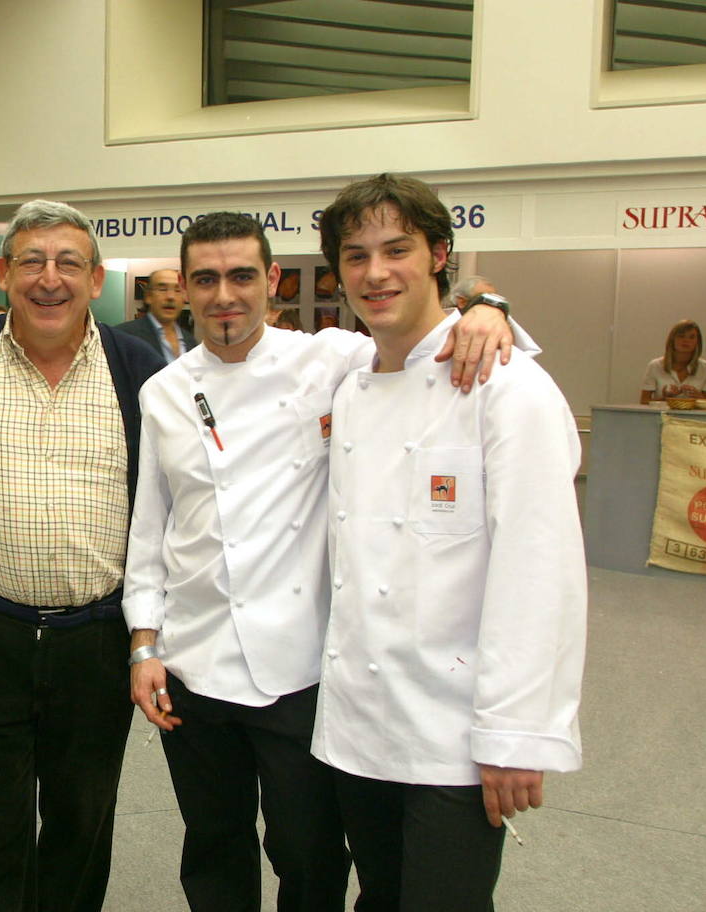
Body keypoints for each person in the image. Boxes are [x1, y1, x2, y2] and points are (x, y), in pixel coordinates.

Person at [123, 211, 516, 912]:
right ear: (182, 287)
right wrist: (144, 642)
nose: (224, 296)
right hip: (192, 659)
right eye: (206, 279)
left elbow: (419, 334)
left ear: (271, 279)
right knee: (212, 845)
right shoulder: (163, 392)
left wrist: (485, 307)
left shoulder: (331, 358)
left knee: (308, 851)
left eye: (242, 276)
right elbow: (150, 531)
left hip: (299, 664)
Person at [313, 173, 586, 911]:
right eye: (356, 254)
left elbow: (540, 572)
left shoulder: (507, 388)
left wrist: (517, 733)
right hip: (360, 726)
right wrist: (488, 304)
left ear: (439, 255)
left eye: (397, 249)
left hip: (455, 734)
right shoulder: (347, 382)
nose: (375, 273)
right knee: (379, 899)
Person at [0, 200, 164, 912]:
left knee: (80, 824)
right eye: (31, 261)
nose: (49, 279)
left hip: (95, 639)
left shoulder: (140, 370)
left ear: (97, 280)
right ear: (3, 274)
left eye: (69, 264)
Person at [116, 267, 196, 363]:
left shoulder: (191, 341)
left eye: (177, 290)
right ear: (148, 296)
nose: (170, 297)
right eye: (162, 289)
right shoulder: (123, 336)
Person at [640, 319, 705, 402]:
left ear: (698, 342)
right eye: (681, 336)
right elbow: (644, 401)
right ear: (672, 340)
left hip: (694, 415)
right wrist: (665, 399)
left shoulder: (705, 368)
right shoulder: (655, 365)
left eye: (691, 337)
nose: (686, 340)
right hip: (662, 414)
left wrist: (699, 397)